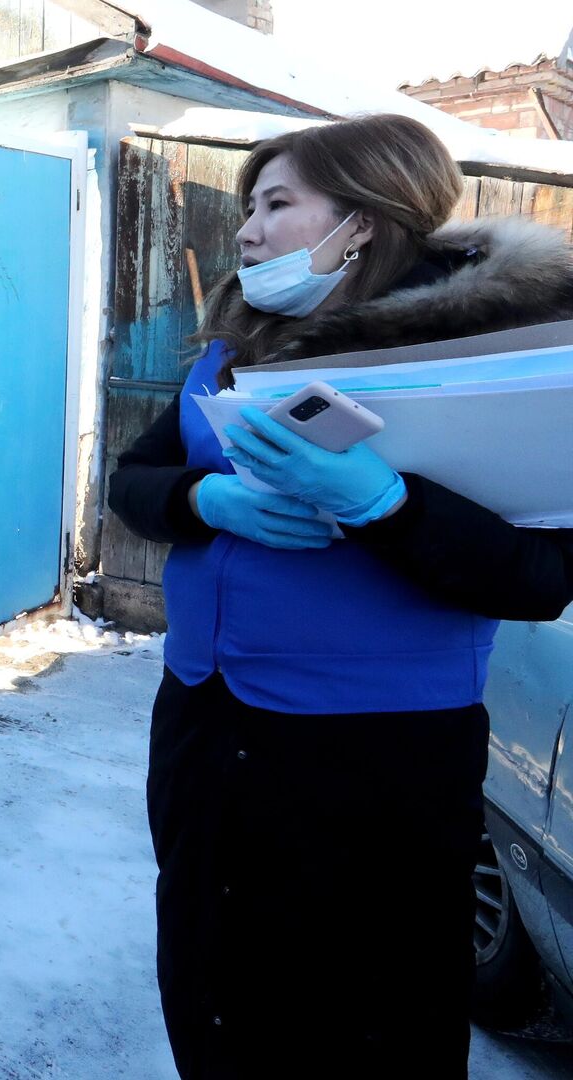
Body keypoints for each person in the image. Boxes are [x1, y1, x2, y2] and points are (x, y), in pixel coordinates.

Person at [107, 114, 573, 1077]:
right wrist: (207, 498)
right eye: (247, 204)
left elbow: (540, 578)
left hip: (372, 756)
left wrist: (386, 506)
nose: (243, 231)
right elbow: (134, 479)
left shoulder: (496, 358)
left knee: (365, 1016)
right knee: (209, 972)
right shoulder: (244, 342)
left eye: (276, 204)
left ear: (360, 220)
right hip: (204, 716)